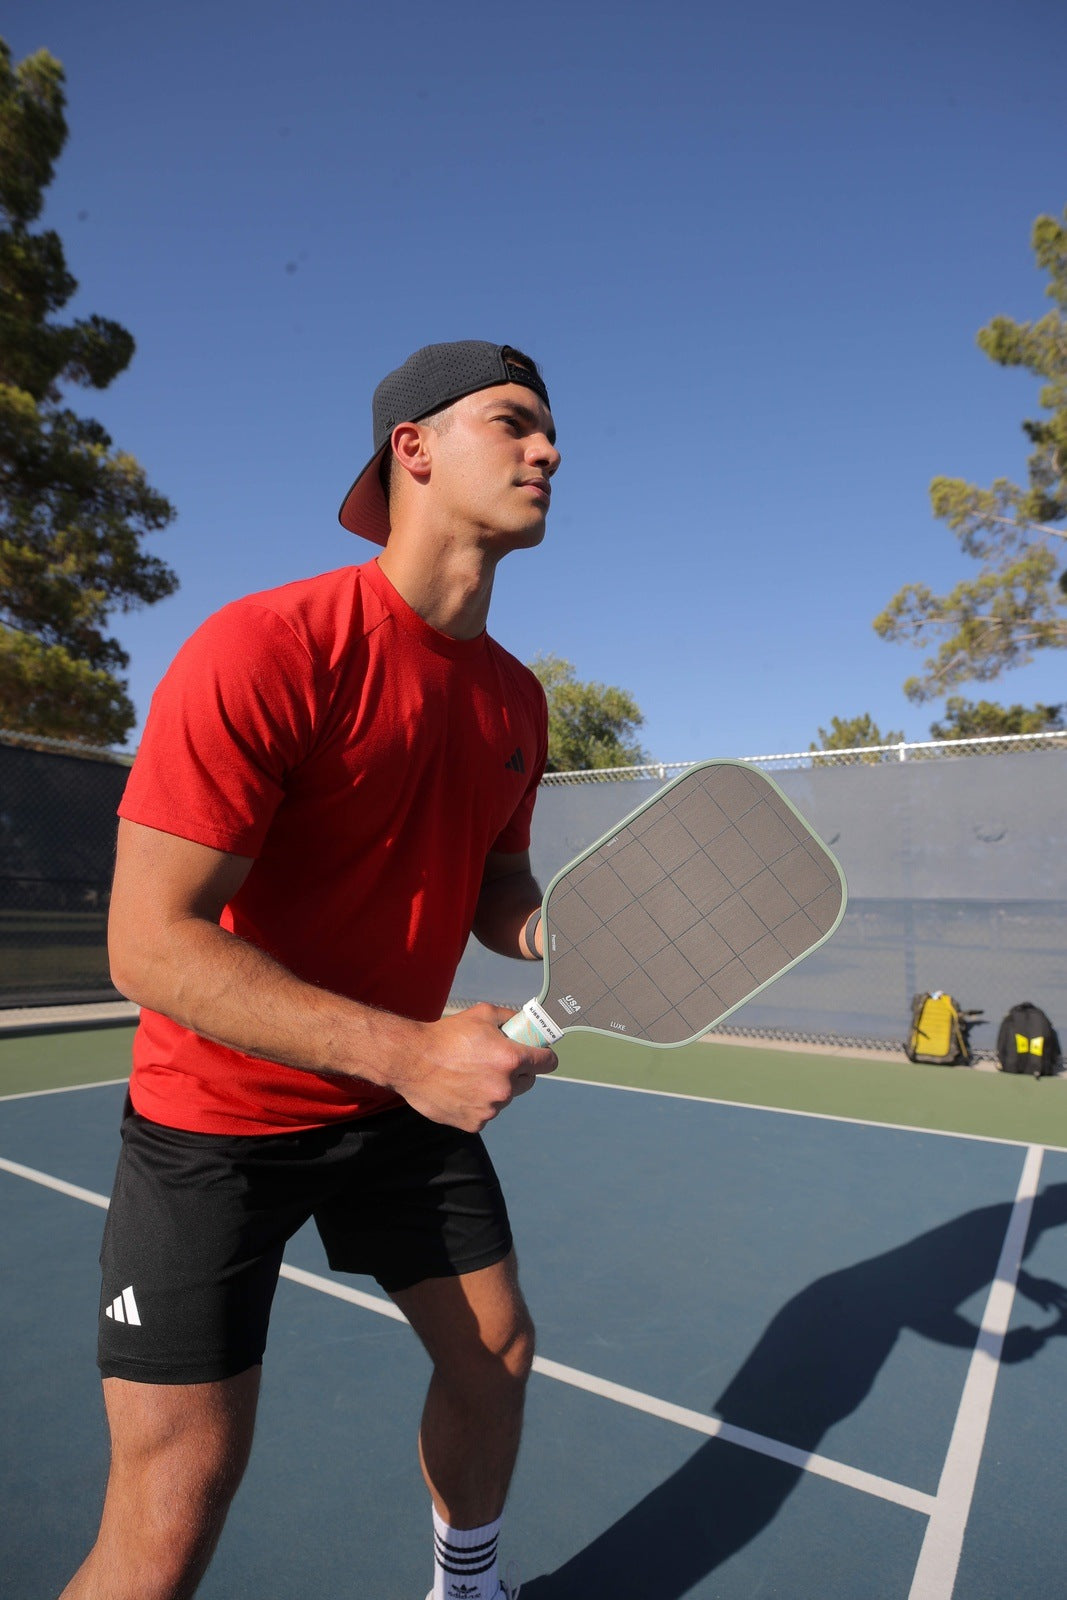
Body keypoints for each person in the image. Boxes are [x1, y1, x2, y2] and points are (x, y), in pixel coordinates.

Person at [60, 341, 562, 1600]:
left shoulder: (514, 702)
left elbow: (495, 881)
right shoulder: (267, 647)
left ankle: (467, 1583)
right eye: (514, 424)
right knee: (172, 1508)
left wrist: (556, 929)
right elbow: (149, 940)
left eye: (551, 435)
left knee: (493, 1353)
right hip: (213, 1121)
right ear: (413, 447)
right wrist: (410, 1049)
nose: (548, 451)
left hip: (393, 1112)